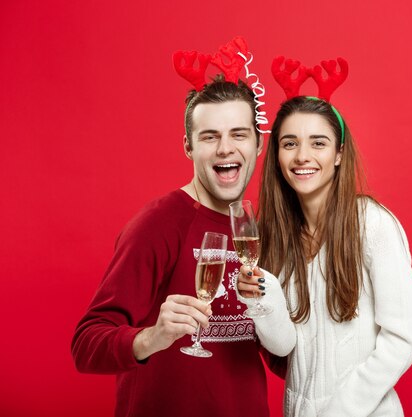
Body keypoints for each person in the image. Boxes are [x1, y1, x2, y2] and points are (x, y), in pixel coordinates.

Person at [71, 39, 294, 417]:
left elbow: (277, 354)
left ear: (258, 145)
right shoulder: (158, 223)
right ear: (188, 146)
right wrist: (152, 337)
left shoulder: (257, 231)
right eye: (210, 136)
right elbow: (87, 344)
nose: (225, 148)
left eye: (239, 134)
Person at [237, 58, 412, 416]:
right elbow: (283, 346)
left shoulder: (370, 223)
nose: (302, 156)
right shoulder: (278, 235)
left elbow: (403, 338)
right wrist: (263, 299)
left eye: (318, 143)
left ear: (338, 154)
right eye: (289, 144)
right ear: (276, 156)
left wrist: (340, 411)